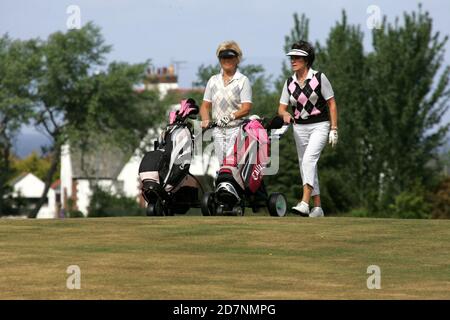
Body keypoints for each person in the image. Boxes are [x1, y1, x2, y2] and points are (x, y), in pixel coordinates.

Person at [277, 40, 338, 217]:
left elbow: (332, 103)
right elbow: (281, 108)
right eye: (292, 57)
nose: (293, 60)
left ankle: (304, 203)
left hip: (320, 125)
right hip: (299, 128)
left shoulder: (319, 78)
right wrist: (285, 114)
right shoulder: (289, 83)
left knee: (308, 161)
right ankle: (317, 207)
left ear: (306, 60)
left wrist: (334, 128)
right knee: (307, 165)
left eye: (297, 57)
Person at [200, 41, 252, 165]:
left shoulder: (243, 81)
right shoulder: (213, 80)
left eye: (230, 57)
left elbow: (246, 108)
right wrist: (205, 119)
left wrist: (230, 117)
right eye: (223, 57)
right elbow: (205, 106)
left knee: (232, 166)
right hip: (217, 131)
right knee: (222, 165)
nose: (226, 60)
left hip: (236, 130)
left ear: (237, 59)